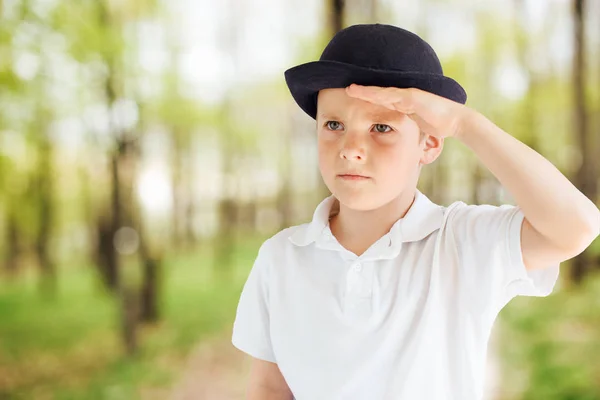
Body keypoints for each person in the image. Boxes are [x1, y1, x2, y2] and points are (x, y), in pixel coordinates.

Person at [230, 23, 600, 400]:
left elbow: (577, 227)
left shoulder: (462, 242)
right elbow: (271, 386)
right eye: (334, 124)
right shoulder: (281, 257)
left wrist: (463, 122)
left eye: (381, 127)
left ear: (430, 144)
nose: (351, 147)